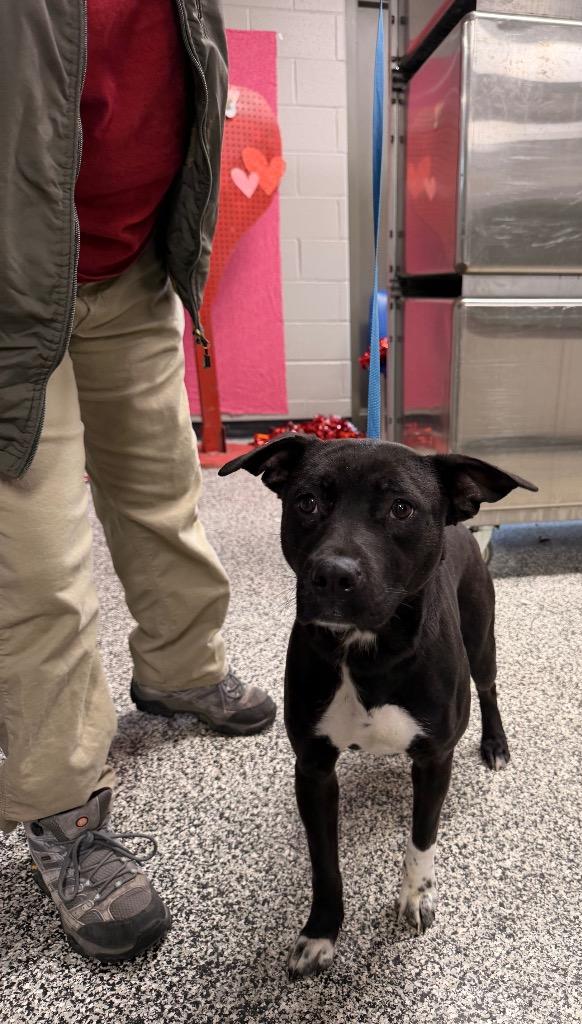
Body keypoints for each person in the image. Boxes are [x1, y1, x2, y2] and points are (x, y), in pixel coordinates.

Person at [0, 1, 275, 962]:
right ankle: (62, 808)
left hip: (133, 275)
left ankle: (181, 671)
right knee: (37, 572)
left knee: (164, 495)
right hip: (8, 298)